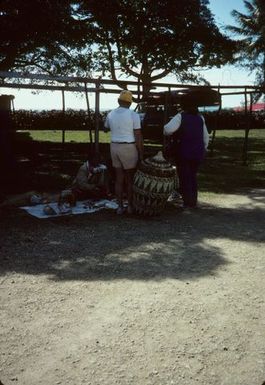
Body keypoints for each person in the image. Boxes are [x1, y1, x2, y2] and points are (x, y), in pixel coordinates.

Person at [164, 97, 209, 209]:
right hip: (198, 151)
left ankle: (187, 202)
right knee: (193, 175)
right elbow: (206, 137)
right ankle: (193, 200)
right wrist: (204, 148)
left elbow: (168, 129)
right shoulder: (200, 118)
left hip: (184, 151)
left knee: (184, 176)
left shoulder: (180, 116)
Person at [104, 90, 144, 214]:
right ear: (130, 103)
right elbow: (138, 135)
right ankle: (130, 206)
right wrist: (141, 153)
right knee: (129, 179)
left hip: (114, 146)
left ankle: (120, 207)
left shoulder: (111, 114)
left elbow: (105, 128)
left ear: (118, 101)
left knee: (119, 178)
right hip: (128, 147)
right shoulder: (133, 115)